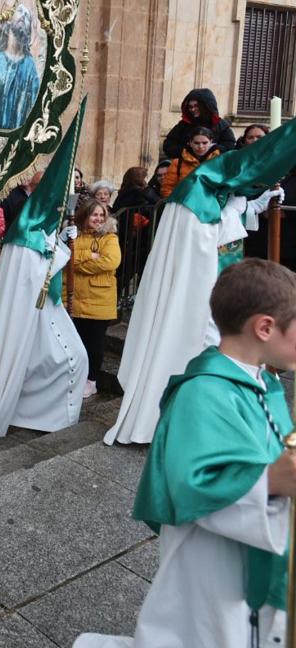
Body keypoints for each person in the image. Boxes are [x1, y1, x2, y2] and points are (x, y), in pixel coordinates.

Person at [74, 259, 296, 648]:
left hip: (247, 545)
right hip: (210, 555)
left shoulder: (264, 378)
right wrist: (269, 480)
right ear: (264, 328)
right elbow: (190, 484)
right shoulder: (203, 393)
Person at [105, 117, 296, 446]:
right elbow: (201, 268)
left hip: (223, 303)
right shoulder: (197, 205)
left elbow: (237, 223)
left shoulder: (223, 200)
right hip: (203, 305)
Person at [0, 102, 88, 442]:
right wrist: (60, 252)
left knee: (74, 358)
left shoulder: (42, 228)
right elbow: (32, 277)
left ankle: (45, 414)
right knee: (66, 359)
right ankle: (23, 410)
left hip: (45, 311)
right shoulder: (25, 233)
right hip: (29, 312)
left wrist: (62, 243)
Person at [64, 199, 122, 398]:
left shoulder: (109, 237)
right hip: (75, 298)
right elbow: (65, 257)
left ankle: (91, 380)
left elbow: (110, 262)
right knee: (75, 342)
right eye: (94, 214)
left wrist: (77, 262)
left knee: (94, 344)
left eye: (101, 215)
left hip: (98, 299)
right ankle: (76, 377)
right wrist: (90, 254)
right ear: (85, 216)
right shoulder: (75, 234)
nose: (98, 219)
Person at [161, 87, 237, 159]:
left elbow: (229, 146)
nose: (193, 109)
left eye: (196, 106)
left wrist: (212, 149)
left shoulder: (220, 125)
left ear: (206, 106)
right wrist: (189, 150)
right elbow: (168, 146)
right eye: (190, 107)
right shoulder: (183, 125)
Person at [160, 127, 220, 198]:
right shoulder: (177, 163)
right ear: (190, 143)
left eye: (204, 143)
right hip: (182, 205)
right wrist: (178, 202)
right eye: (196, 143)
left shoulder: (219, 162)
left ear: (211, 142)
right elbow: (167, 188)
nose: (200, 146)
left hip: (211, 206)